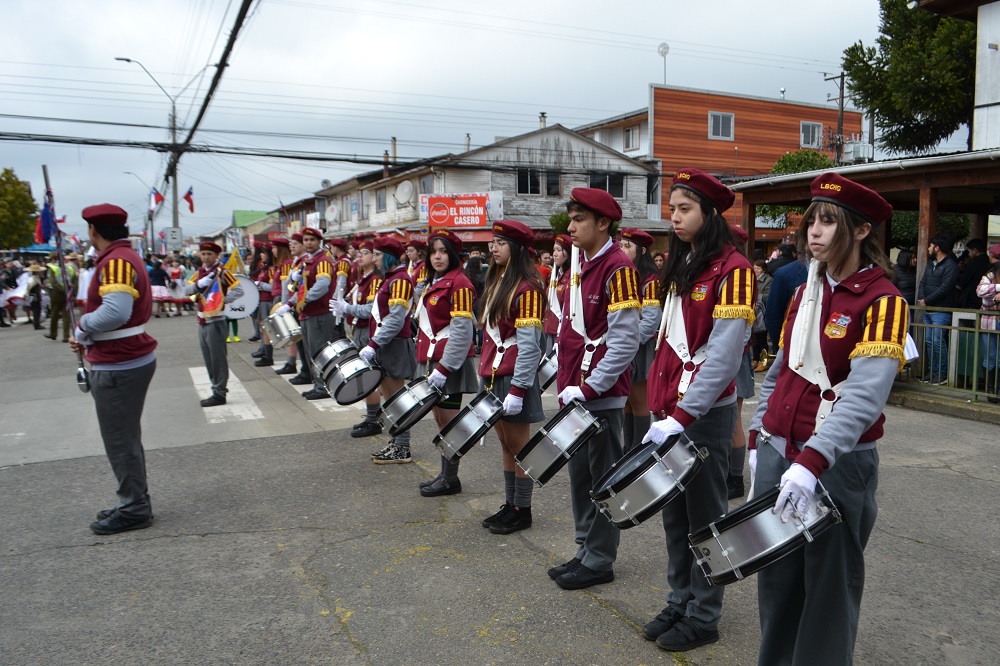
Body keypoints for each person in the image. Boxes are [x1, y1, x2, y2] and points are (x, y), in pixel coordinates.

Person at [748, 172, 905, 665]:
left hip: (836, 464)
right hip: (782, 452)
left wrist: (812, 461)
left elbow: (862, 397)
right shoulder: (805, 290)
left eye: (828, 222)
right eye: (811, 220)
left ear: (860, 231)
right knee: (776, 580)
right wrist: (759, 435)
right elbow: (779, 371)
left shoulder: (883, 300)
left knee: (829, 591)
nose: (813, 231)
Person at [642, 168, 755, 652]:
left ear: (710, 214)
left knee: (706, 515)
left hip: (701, 415)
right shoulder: (682, 264)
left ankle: (704, 614)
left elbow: (725, 357)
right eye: (672, 208)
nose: (676, 216)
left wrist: (683, 417)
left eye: (685, 208)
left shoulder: (734, 271)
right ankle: (680, 597)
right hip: (669, 411)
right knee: (674, 512)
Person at [550, 190, 640, 589]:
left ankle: (600, 559)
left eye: (579, 220)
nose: (570, 228)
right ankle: (585, 548)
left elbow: (623, 341)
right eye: (570, 219)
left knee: (602, 476)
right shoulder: (579, 264)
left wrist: (591, 388)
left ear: (603, 223)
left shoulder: (618, 268)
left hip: (597, 394)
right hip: (575, 389)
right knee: (579, 473)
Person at [68, 204, 158, 535]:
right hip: (121, 357)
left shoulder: (117, 260)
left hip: (120, 361)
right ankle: (133, 499)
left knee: (119, 439)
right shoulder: (120, 257)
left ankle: (134, 506)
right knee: (125, 436)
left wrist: (83, 328)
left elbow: (116, 312)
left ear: (94, 230)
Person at [475, 219, 546, 534]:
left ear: (516, 249)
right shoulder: (497, 281)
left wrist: (518, 389)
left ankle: (523, 509)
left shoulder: (528, 287)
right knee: (505, 443)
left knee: (520, 447)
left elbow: (529, 346)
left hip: (513, 377)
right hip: (494, 374)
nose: (494, 248)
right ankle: (510, 503)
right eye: (493, 242)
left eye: (501, 243)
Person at [412, 229, 481, 496]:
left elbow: (462, 332)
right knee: (441, 421)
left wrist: (444, 368)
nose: (437, 256)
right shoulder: (435, 281)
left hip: (446, 365)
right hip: (433, 362)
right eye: (433, 252)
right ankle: (445, 474)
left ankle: (450, 479)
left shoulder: (460, 283)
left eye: (443, 251)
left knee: (449, 423)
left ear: (453, 254)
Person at [335, 236, 417, 462]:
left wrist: (373, 345)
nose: (376, 258)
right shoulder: (390, 279)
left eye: (379, 254)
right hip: (385, 345)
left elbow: (395, 320)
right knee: (391, 400)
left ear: (389, 256)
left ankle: (402, 447)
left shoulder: (400, 280)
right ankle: (396, 442)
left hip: (393, 346)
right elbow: (376, 311)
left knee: (397, 399)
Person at [276, 227, 336, 400]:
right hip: (308, 313)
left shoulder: (322, 260)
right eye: (306, 240)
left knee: (319, 352)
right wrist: (290, 302)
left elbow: (322, 285)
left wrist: (304, 300)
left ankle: (323, 386)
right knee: (312, 353)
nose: (308, 243)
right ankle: (318, 384)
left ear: (319, 242)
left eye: (312, 240)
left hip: (319, 313)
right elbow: (301, 288)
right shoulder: (307, 262)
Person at [185, 241, 244, 407]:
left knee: (218, 359)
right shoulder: (200, 272)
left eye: (209, 254)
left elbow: (239, 290)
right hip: (201, 319)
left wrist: (222, 301)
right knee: (208, 358)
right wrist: (198, 285)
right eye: (203, 253)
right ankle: (215, 389)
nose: (206, 257)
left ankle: (219, 392)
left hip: (216, 320)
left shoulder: (222, 272)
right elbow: (187, 290)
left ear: (216, 256)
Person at [338, 239, 385, 438]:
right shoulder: (363, 278)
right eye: (360, 253)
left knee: (369, 376)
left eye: (366, 253)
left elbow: (369, 310)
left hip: (368, 331)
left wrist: (347, 308)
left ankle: (374, 419)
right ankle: (371, 416)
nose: (361, 256)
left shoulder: (375, 279)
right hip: (358, 329)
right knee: (363, 375)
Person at [619, 227, 660, 453]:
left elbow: (651, 320)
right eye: (621, 245)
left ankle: (639, 449)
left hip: (640, 347)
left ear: (642, 250)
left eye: (628, 246)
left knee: (638, 399)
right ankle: (628, 446)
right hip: (624, 345)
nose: (622, 250)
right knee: (625, 399)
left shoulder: (650, 280)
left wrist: (630, 342)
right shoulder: (624, 274)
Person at [917, 232, 959, 385]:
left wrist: (927, 299)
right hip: (928, 309)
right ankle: (932, 372)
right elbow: (923, 282)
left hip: (941, 310)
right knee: (930, 341)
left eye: (930, 245)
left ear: (937, 248)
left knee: (937, 342)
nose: (928, 248)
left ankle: (941, 373)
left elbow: (945, 288)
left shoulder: (951, 266)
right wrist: (922, 298)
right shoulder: (931, 264)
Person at [975, 243, 1000, 403]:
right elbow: (980, 291)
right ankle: (990, 389)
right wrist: (998, 288)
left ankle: (998, 389)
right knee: (990, 356)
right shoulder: (990, 275)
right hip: (989, 321)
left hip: (993, 319)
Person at [542, 234, 572, 356]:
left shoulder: (572, 276)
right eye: (554, 250)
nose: (554, 254)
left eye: (559, 250)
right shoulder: (556, 275)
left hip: (562, 331)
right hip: (550, 329)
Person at [251, 244, 276, 367]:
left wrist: (259, 284)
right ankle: (264, 351)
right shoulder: (264, 268)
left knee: (266, 328)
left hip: (267, 300)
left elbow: (273, 287)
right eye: (260, 253)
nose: (261, 255)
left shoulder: (271, 269)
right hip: (262, 299)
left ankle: (267, 355)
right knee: (262, 328)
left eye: (264, 253)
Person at [45, 252, 76, 342]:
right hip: (68, 293)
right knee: (66, 315)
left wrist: (62, 289)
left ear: (53, 259)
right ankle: (66, 336)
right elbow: (74, 281)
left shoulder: (53, 268)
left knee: (54, 313)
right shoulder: (70, 268)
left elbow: (52, 282)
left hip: (57, 293)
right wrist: (70, 291)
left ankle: (53, 334)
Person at [957, 238, 991, 309]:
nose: (968, 254)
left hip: (972, 299)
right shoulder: (988, 262)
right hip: (984, 298)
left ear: (975, 251)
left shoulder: (975, 263)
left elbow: (964, 280)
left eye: (969, 251)